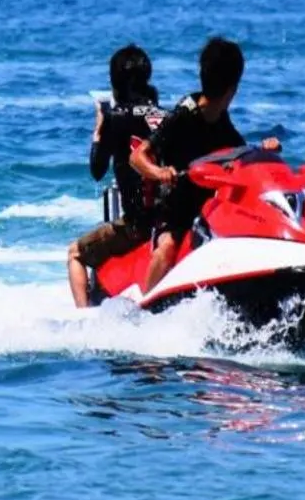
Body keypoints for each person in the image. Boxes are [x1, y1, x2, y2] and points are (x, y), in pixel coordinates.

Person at [131, 36, 279, 294]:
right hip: (174, 208)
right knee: (166, 250)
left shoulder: (221, 117)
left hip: (211, 205)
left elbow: (238, 154)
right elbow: (138, 156)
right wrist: (159, 172)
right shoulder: (185, 114)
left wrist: (262, 151)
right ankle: (147, 306)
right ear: (234, 87)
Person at [67, 44, 164, 307]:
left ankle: (84, 321)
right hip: (166, 222)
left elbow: (97, 171)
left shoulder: (115, 117)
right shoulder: (166, 116)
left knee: (75, 253)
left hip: (136, 227)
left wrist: (99, 132)